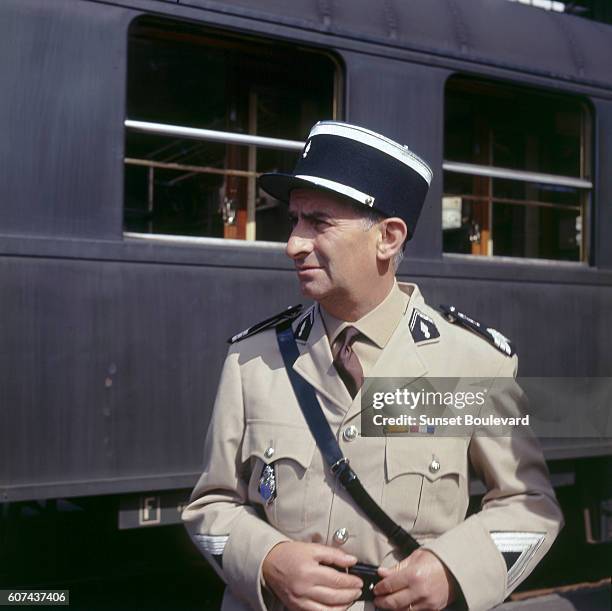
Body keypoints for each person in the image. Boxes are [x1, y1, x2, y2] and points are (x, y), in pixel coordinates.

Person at [182, 121, 563, 611]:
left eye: (318, 222)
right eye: (294, 220)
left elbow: (529, 506)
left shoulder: (471, 362)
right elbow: (209, 507)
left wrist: (453, 571)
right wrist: (268, 561)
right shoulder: (253, 360)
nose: (293, 244)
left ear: (388, 237)